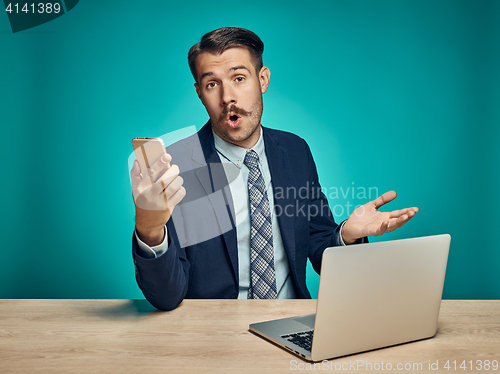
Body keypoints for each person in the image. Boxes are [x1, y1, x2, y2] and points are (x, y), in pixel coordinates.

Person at [130, 27, 419, 311]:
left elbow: (319, 248)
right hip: (214, 335)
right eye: (212, 84)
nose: (227, 96)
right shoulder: (175, 166)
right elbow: (167, 296)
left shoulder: (295, 151)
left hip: (291, 322)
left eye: (239, 78)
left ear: (263, 79)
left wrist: (346, 235)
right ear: (199, 94)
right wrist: (150, 231)